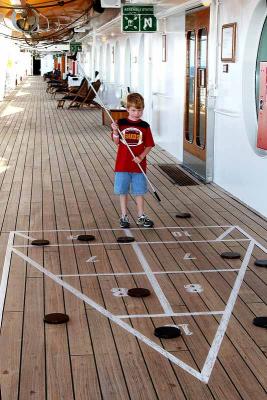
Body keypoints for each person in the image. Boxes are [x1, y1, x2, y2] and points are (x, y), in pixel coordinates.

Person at [111, 93, 155, 229]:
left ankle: (141, 216)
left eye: (140, 110)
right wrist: (115, 131)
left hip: (138, 166)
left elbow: (149, 145)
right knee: (123, 191)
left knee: (139, 192)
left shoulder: (144, 126)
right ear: (128, 109)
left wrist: (141, 156)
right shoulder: (121, 124)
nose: (137, 113)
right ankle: (124, 216)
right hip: (123, 164)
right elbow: (116, 141)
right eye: (134, 110)